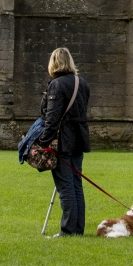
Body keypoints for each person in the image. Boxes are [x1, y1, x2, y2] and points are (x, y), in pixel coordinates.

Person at [39, 46, 92, 236]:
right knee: (76, 184)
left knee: (66, 186)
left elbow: (52, 118)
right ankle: (78, 229)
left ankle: (68, 230)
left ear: (54, 63)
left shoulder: (57, 85)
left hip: (63, 141)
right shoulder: (82, 83)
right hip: (79, 138)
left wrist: (43, 142)